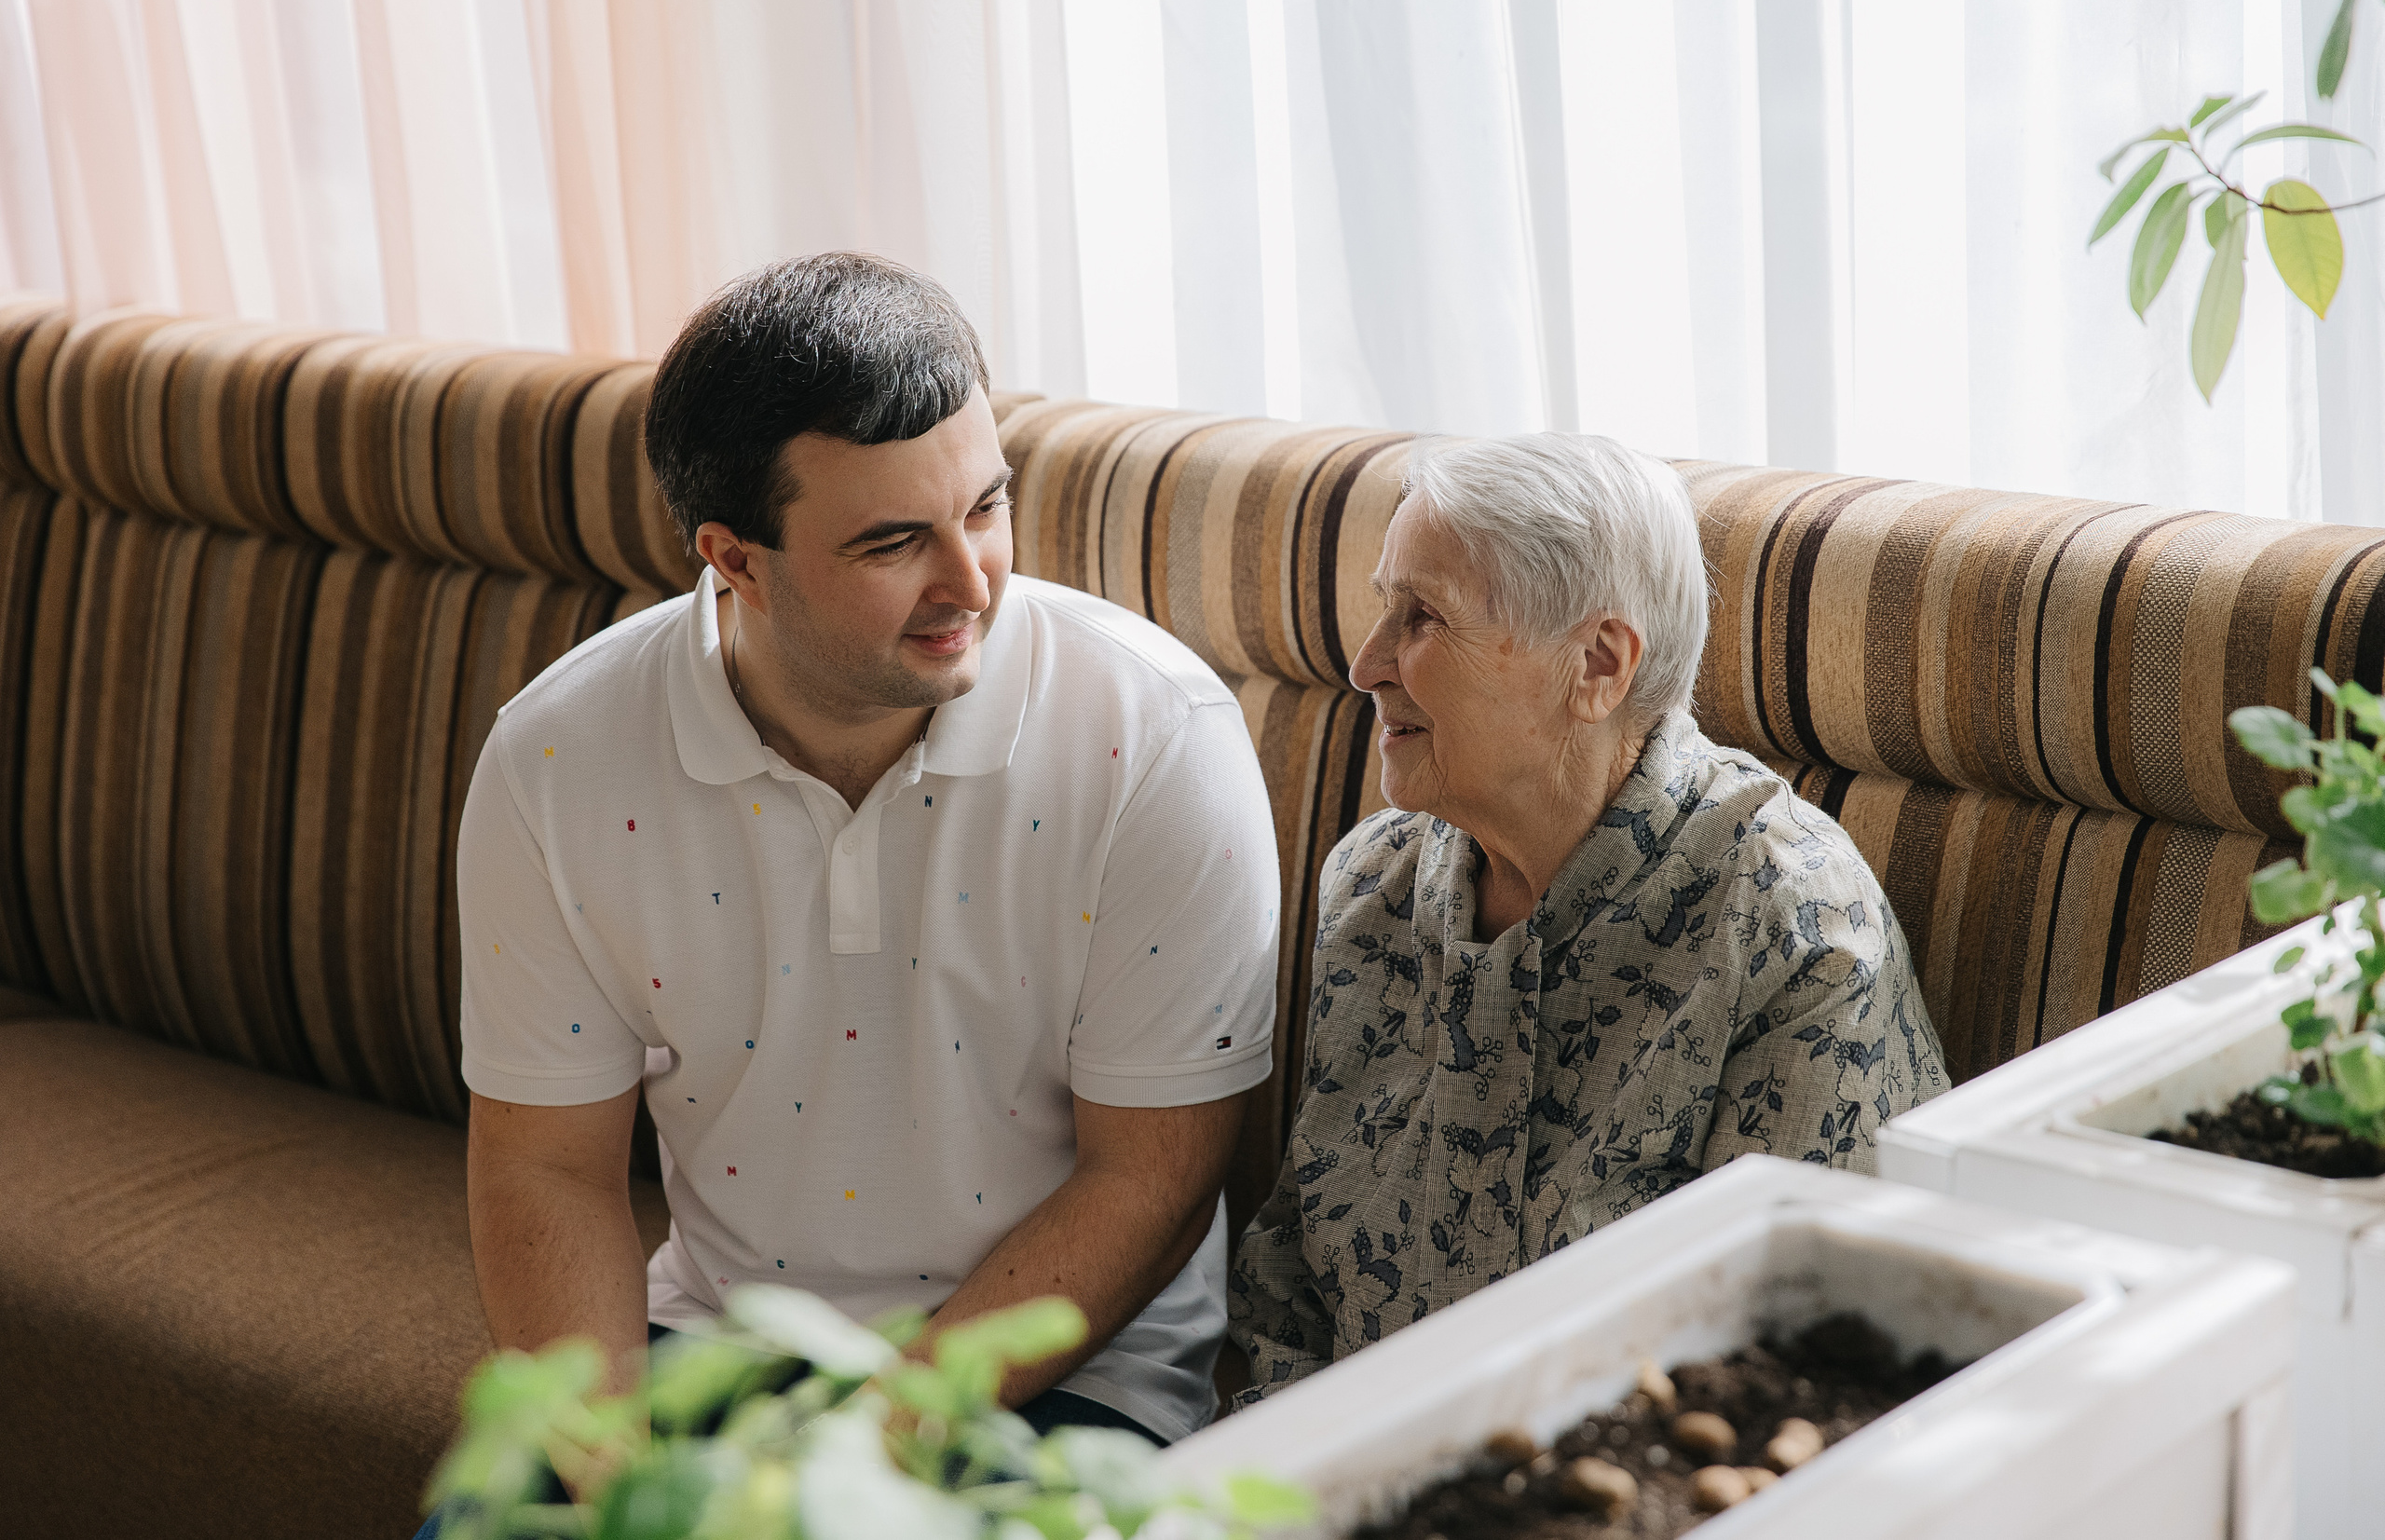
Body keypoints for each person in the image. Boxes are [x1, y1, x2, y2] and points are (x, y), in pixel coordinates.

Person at [450, 253, 1280, 1482]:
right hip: (722, 1349)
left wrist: (854, 1459)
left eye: (988, 506)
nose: (973, 580)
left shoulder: (1156, 738)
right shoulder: (556, 759)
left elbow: (1148, 1176)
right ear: (733, 559)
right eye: (895, 542)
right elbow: (545, 1165)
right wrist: (614, 1480)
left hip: (1060, 1380)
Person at [1227, 433, 1948, 1402]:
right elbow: (1289, 1275)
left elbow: (1802, 1365)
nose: (1365, 665)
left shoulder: (1787, 923)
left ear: (1598, 664)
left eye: (1421, 617)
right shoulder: (1373, 888)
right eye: (1381, 608)